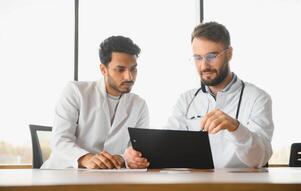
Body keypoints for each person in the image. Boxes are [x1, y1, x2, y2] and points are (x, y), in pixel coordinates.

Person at [125, 22, 273, 168]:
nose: (204, 66)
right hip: (195, 188)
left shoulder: (257, 98)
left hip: (238, 188)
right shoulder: (186, 100)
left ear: (229, 54)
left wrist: (235, 127)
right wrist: (134, 155)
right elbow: (167, 145)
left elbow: (259, 159)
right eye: (198, 58)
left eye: (212, 56)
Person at [42, 36, 149, 169]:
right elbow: (59, 140)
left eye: (133, 69)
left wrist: (123, 158)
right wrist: (85, 158)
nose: (129, 77)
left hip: (110, 178)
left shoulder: (139, 105)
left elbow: (135, 151)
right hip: (62, 174)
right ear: (103, 69)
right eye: (120, 69)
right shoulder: (75, 91)